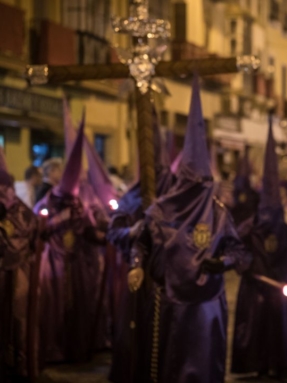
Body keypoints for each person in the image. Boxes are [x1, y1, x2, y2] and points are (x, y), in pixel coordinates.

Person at [130, 74, 251, 383]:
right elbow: (140, 242)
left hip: (208, 304)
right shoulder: (160, 210)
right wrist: (137, 266)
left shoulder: (218, 212)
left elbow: (239, 252)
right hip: (170, 302)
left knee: (204, 366)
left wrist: (222, 263)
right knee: (170, 365)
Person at [232, 115, 287, 379]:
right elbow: (235, 248)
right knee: (259, 325)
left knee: (281, 325)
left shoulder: (284, 226)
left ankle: (283, 362)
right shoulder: (250, 225)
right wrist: (247, 265)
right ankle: (259, 363)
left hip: (277, 285)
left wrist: (279, 272)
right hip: (255, 288)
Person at [107, 109, 175, 383]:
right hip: (136, 273)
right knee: (134, 331)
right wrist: (131, 231)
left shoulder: (173, 195)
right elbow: (114, 232)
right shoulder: (131, 198)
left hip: (165, 276)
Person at [35, 119, 107, 364]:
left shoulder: (78, 204)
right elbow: (38, 228)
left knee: (79, 306)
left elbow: (88, 229)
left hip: (77, 264)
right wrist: (55, 221)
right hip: (54, 263)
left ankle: (77, 348)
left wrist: (104, 235)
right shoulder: (47, 201)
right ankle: (53, 350)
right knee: (53, 308)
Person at [0, 148, 38, 382]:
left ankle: (15, 365)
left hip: (14, 277)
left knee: (15, 320)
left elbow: (23, 239)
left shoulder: (20, 210)